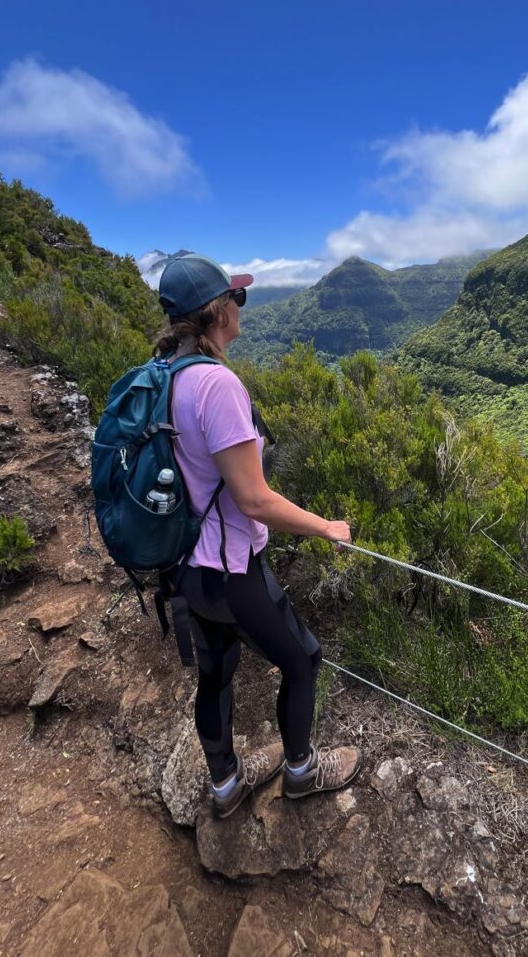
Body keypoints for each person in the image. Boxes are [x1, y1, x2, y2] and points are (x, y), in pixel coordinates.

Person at [154, 253, 361, 818]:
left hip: (183, 565)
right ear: (217, 312)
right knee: (303, 660)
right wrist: (325, 527)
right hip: (232, 570)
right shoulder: (215, 385)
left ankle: (225, 786)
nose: (242, 306)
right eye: (237, 298)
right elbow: (253, 499)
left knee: (216, 673)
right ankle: (301, 771)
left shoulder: (161, 374)